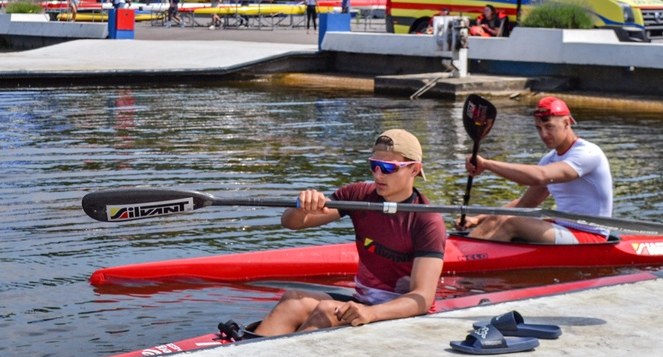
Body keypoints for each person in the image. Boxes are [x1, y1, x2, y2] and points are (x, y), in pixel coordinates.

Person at [254, 129, 447, 337]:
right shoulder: (358, 196)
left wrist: (370, 313)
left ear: (414, 170)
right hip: (363, 302)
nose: (378, 174)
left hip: (403, 316)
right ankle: (247, 354)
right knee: (292, 300)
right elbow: (291, 223)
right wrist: (302, 208)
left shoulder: (428, 221)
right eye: (374, 165)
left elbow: (422, 298)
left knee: (326, 312)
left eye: (388, 168)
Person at [458, 96, 613, 244]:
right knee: (501, 215)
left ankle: (465, 259)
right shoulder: (549, 159)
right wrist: (478, 219)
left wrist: (486, 164)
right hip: (562, 227)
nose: (543, 134)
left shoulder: (588, 153)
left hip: (590, 236)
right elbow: (526, 203)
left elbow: (540, 176)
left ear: (566, 123)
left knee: (511, 222)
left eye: (549, 127)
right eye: (539, 128)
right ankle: (460, 252)